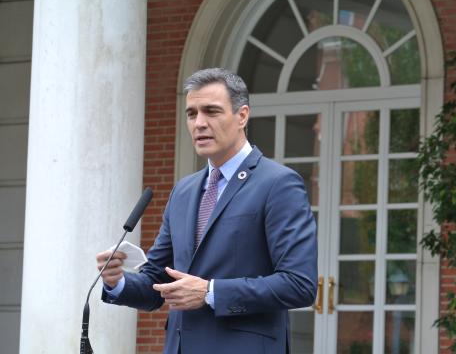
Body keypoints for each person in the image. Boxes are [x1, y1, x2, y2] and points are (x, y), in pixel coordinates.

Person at [96, 68, 318, 354]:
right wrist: (118, 282)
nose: (199, 123)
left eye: (211, 111)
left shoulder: (278, 184)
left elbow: (299, 284)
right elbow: (156, 280)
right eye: (192, 114)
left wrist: (210, 292)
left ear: (242, 116)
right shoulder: (183, 191)